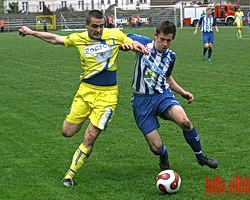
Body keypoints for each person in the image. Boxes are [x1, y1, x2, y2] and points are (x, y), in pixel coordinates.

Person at [18, 10, 146, 187]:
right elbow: (56, 39)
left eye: (101, 26)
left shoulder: (115, 34)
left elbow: (132, 42)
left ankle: (69, 175)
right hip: (85, 92)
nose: (98, 30)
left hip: (107, 96)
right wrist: (32, 32)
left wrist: (134, 46)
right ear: (86, 25)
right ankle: (87, 121)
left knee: (90, 137)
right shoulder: (78, 38)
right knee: (67, 131)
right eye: (94, 26)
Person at [126, 20, 220, 171]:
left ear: (172, 39)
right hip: (141, 101)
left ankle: (201, 156)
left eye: (168, 40)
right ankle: (163, 155)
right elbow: (122, 37)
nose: (164, 43)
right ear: (155, 35)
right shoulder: (144, 44)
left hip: (162, 96)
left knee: (185, 122)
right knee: (155, 147)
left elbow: (167, 78)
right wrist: (127, 44)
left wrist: (183, 92)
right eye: (162, 39)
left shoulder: (171, 57)